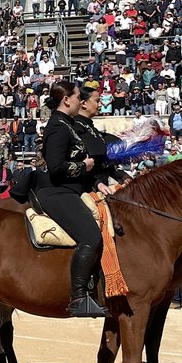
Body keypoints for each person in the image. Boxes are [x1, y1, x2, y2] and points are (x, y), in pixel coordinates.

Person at [35, 80, 109, 318]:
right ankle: (78, 296)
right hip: (58, 191)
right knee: (90, 235)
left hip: (72, 189)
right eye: (78, 97)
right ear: (67, 100)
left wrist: (96, 181)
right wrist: (83, 165)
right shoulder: (58, 126)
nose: (80, 101)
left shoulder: (66, 124)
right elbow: (56, 167)